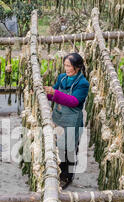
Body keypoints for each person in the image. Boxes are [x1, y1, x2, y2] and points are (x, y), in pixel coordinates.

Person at [44, 53, 89, 189]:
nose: (66, 68)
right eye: (65, 65)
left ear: (77, 67)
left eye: (69, 66)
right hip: (59, 117)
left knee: (68, 150)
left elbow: (74, 101)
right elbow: (54, 94)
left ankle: (66, 176)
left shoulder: (83, 83)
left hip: (72, 120)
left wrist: (54, 93)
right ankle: (57, 173)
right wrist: (45, 93)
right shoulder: (62, 78)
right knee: (58, 147)